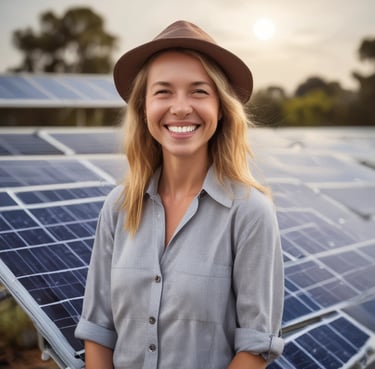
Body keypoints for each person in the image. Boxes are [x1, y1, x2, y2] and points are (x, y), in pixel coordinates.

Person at [75, 20, 284, 369]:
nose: (181, 107)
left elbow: (254, 348)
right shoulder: (118, 208)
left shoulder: (250, 213)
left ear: (221, 106)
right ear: (144, 107)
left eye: (199, 91)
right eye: (163, 91)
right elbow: (98, 330)